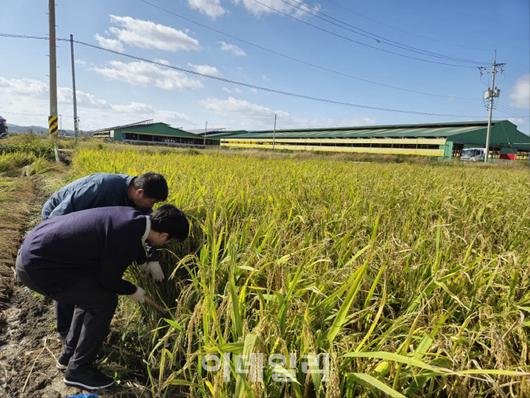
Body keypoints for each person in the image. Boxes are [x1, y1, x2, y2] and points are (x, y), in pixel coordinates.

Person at [16, 205, 189, 390]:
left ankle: (70, 355)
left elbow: (126, 242)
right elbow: (108, 280)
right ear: (164, 236)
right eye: (168, 242)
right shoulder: (127, 235)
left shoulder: (132, 218)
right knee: (104, 301)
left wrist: (144, 262)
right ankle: (78, 371)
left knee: (91, 295)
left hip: (35, 252)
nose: (164, 245)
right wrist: (133, 290)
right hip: (39, 267)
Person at [42, 172, 169, 342]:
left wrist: (150, 259)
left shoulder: (139, 200)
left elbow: (146, 228)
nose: (151, 207)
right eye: (152, 202)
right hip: (59, 219)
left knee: (91, 277)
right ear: (139, 193)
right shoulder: (101, 188)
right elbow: (60, 213)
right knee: (71, 277)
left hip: (91, 231)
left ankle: (84, 324)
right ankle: (66, 331)